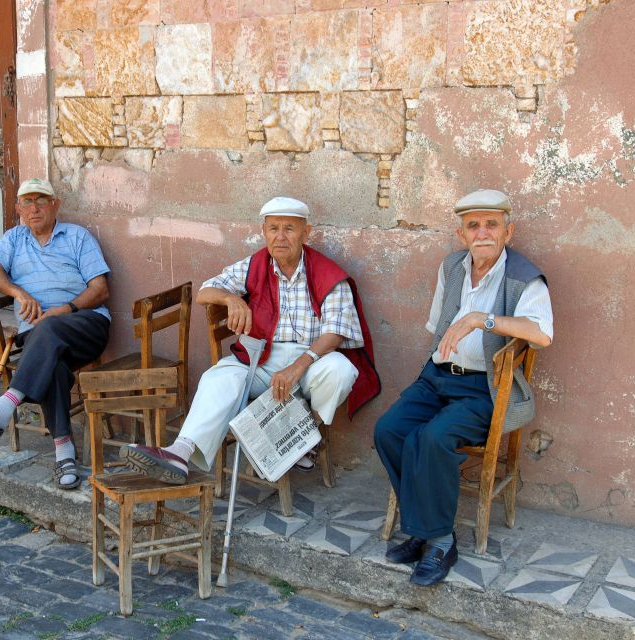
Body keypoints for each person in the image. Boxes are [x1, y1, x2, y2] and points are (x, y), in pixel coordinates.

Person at [120, 196, 380, 485]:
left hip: (310, 361)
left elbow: (335, 332)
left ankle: (303, 437)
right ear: (264, 232)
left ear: (306, 233)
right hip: (262, 357)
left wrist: (297, 367)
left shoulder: (327, 273)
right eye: (273, 229)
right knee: (218, 378)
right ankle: (179, 454)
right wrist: (232, 299)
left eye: (289, 229)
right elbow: (206, 291)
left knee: (341, 371)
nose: (280, 237)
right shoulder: (256, 264)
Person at [374, 189, 553, 587]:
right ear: (462, 234)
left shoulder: (524, 277)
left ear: (509, 231)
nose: (483, 233)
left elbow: (540, 334)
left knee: (433, 438)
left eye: (492, 224)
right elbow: (439, 325)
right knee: (388, 431)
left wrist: (481, 319)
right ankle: (423, 525)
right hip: (438, 376)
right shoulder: (452, 266)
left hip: (484, 388)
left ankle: (438, 540)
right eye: (474, 225)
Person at [0, 178, 110, 490]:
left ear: (55, 205)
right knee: (51, 365)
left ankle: (6, 404)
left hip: (85, 324)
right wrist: (19, 293)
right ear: (18, 209)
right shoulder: (14, 239)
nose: (34, 208)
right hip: (40, 338)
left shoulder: (77, 237)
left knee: (48, 326)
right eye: (27, 202)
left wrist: (65, 308)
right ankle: (64, 453)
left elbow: (100, 290)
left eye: (41, 200)